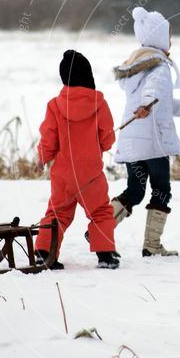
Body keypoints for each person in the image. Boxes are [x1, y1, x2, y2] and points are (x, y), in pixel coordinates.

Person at [111, 7, 180, 256]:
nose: (171, 41)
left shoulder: (136, 65)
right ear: (160, 38)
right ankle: (151, 246)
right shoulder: (160, 67)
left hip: (132, 140)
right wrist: (147, 103)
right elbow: (154, 92)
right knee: (161, 189)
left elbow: (163, 102)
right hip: (153, 142)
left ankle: (101, 228)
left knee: (135, 190)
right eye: (169, 36)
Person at [34, 50, 120, 269]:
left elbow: (49, 138)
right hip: (90, 173)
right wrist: (102, 145)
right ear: (88, 76)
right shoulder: (99, 103)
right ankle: (105, 254)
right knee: (100, 212)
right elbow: (107, 137)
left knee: (57, 213)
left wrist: (42, 158)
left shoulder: (54, 105)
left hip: (63, 174)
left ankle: (44, 253)